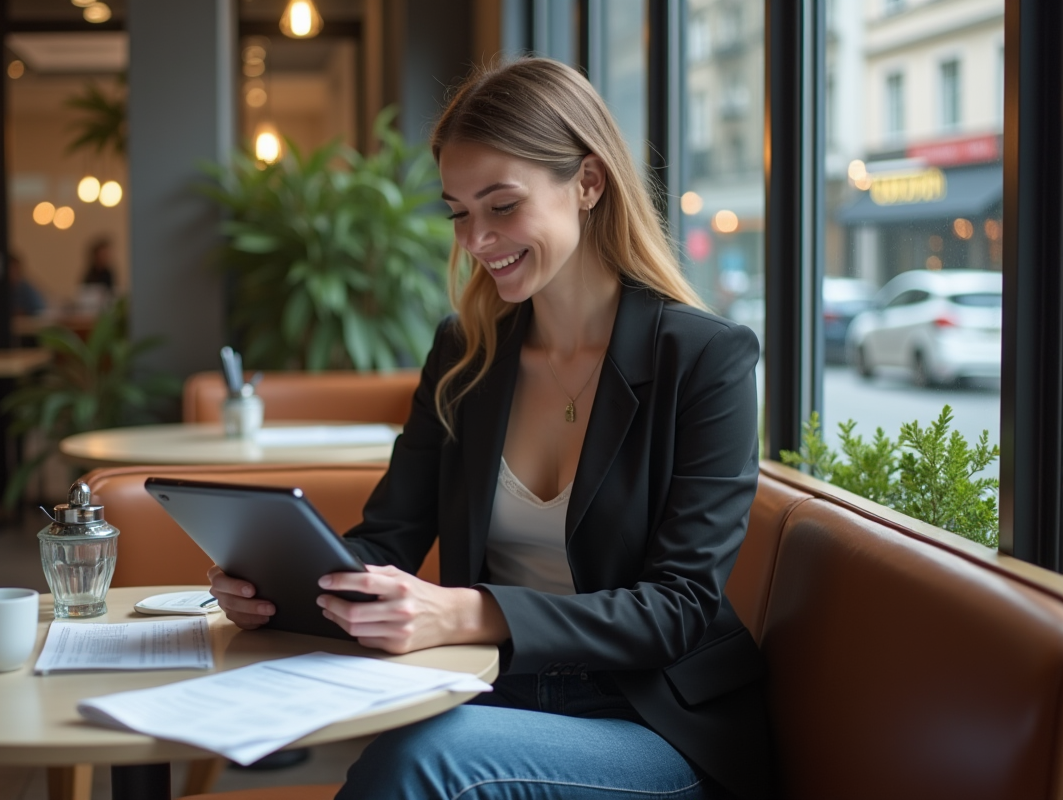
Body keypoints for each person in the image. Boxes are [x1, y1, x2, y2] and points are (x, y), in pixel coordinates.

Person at [210, 58, 773, 800]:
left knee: (418, 761)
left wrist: (468, 610)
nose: (476, 240)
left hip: (651, 722)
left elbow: (679, 608)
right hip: (490, 692)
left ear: (589, 183)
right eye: (458, 212)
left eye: (501, 206)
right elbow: (389, 536)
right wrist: (284, 583)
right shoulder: (465, 352)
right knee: (408, 748)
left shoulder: (705, 359)